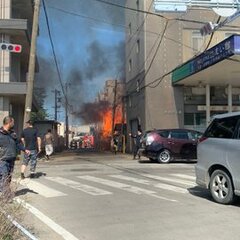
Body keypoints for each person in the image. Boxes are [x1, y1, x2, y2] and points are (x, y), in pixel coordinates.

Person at [0, 116, 29, 197]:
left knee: (8, 178)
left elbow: (18, 143)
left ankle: (4, 191)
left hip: (11, 159)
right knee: (4, 176)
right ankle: (7, 196)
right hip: (2, 159)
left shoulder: (13, 133)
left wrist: (24, 149)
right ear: (9, 123)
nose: (14, 124)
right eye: (13, 122)